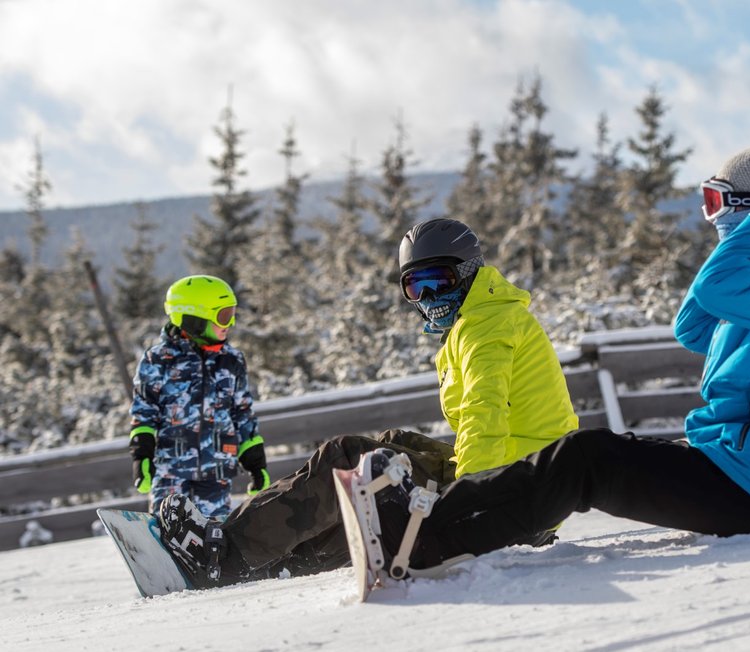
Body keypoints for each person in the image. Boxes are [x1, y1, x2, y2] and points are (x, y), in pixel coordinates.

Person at [349, 143, 750, 579]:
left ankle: (425, 540)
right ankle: (433, 525)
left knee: (586, 460)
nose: (715, 221)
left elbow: (719, 288)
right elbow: (692, 325)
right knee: (588, 455)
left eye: (723, 207)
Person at [157, 218, 579, 586]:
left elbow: (482, 415)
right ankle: (277, 558)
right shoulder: (484, 317)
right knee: (388, 452)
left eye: (440, 281)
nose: (429, 298)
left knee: (351, 458)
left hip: (511, 496)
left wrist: (472, 505)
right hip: (525, 485)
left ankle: (225, 556)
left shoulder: (487, 327)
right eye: (415, 286)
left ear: (469, 273)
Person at [129, 274, 268, 519]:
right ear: (194, 319)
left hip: (216, 471)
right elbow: (144, 412)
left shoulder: (231, 360)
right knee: (169, 529)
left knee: (213, 534)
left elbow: (242, 413)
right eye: (223, 315)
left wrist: (255, 462)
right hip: (171, 469)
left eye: (231, 312)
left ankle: (212, 558)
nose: (230, 322)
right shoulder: (158, 359)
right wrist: (142, 455)